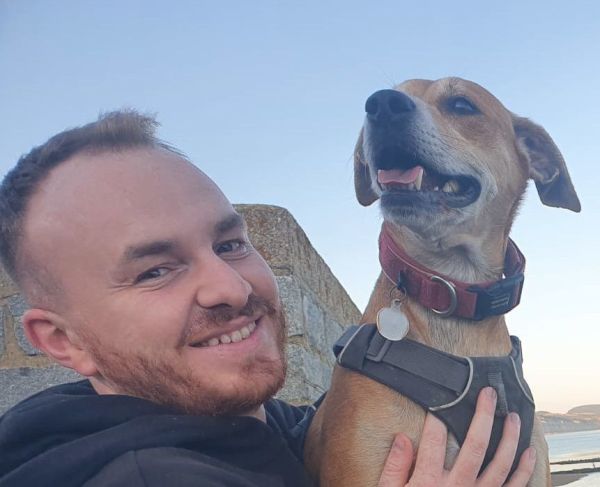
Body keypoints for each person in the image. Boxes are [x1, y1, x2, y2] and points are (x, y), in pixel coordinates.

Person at [0, 111, 535, 486]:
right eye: (155, 271)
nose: (231, 287)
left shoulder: (254, 426)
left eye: (230, 244)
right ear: (63, 342)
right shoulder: (152, 477)